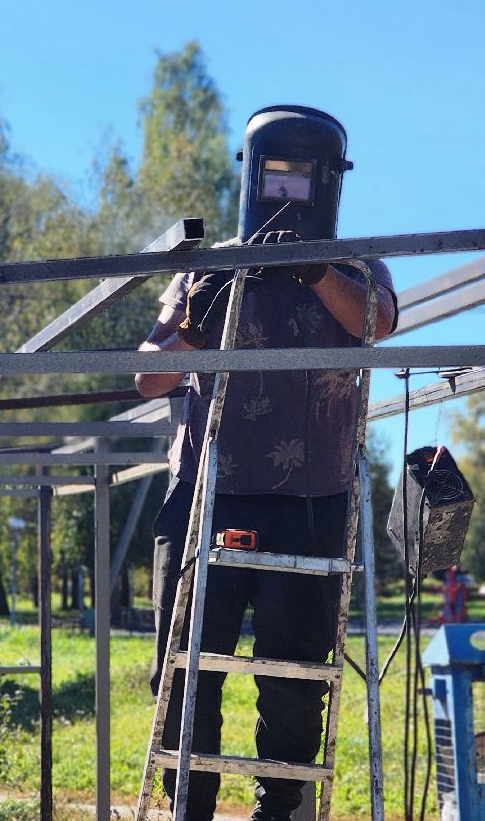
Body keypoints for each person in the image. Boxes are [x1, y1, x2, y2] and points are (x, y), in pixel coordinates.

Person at [133, 106, 397, 821]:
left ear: (330, 182)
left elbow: (375, 324)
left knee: (295, 672)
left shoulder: (358, 264)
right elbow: (148, 379)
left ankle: (278, 809)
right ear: (251, 177)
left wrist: (314, 272)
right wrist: (193, 325)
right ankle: (189, 804)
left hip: (312, 500)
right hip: (208, 494)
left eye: (301, 178)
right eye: (274, 177)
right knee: (185, 668)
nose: (286, 197)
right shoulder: (207, 266)